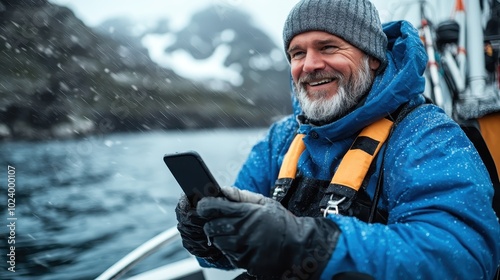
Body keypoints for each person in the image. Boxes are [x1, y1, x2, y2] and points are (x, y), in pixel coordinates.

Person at [175, 0, 500, 279]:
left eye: (328, 47)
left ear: (373, 57)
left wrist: (305, 245)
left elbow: (462, 258)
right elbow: (233, 251)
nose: (310, 65)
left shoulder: (426, 135)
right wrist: (208, 234)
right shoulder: (282, 138)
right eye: (297, 53)